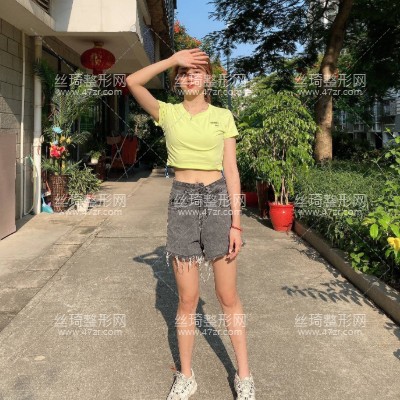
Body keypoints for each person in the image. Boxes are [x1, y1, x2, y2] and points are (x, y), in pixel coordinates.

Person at [126, 48, 256, 400]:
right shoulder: (167, 113)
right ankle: (186, 375)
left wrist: (236, 224)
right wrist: (173, 59)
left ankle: (244, 375)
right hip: (182, 201)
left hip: (217, 200)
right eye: (183, 73)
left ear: (208, 78)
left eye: (197, 71)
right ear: (177, 81)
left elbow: (231, 171)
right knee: (187, 299)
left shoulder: (223, 116)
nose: (190, 77)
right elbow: (133, 81)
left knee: (227, 295)